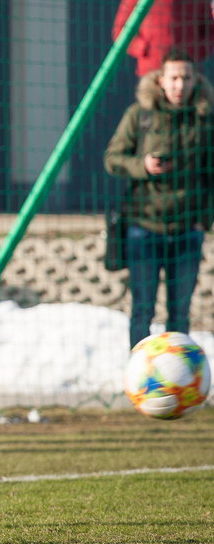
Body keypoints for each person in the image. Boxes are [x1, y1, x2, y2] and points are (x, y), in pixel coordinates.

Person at [104, 47, 214, 348]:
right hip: (144, 226)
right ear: (160, 80)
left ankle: (180, 386)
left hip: (187, 230)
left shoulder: (205, 117)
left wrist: (204, 219)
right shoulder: (140, 115)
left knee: (179, 313)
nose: (180, 85)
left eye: (186, 77)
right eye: (174, 77)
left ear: (195, 80)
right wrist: (143, 165)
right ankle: (140, 382)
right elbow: (112, 158)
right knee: (142, 311)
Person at [112, 0, 214, 77]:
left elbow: (209, 30)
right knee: (152, 103)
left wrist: (197, 52)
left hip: (188, 70)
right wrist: (145, 49)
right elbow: (120, 30)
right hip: (152, 70)